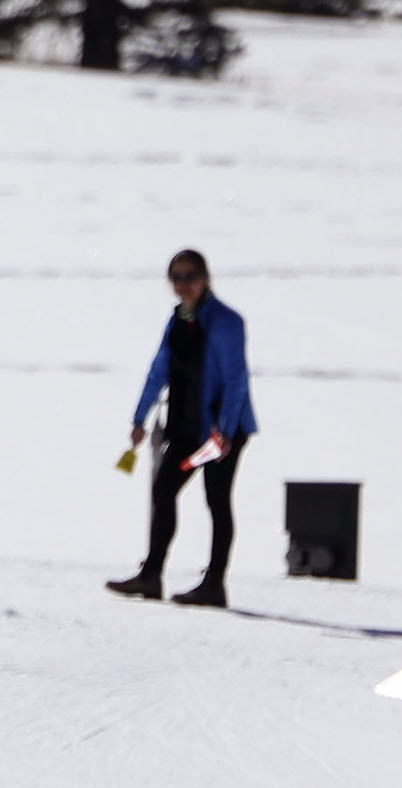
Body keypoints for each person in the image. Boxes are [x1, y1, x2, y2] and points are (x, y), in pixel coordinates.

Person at [108, 249, 255, 610]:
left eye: (189, 276)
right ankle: (151, 574)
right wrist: (139, 418)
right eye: (176, 278)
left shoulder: (225, 321)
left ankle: (214, 585)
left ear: (205, 278)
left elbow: (236, 380)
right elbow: (159, 369)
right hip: (188, 428)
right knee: (164, 490)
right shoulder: (179, 320)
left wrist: (224, 430)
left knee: (216, 501)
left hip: (221, 433)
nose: (182, 285)